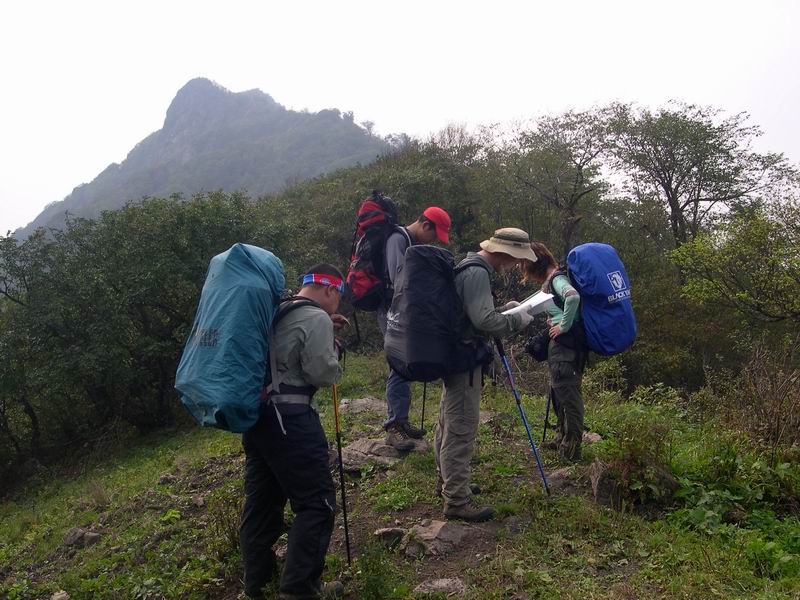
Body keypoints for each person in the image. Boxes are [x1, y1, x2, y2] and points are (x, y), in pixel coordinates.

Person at [239, 264, 348, 600]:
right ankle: (299, 589)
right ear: (330, 289)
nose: (338, 303)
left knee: (262, 503)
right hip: (292, 421)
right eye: (339, 295)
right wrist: (335, 348)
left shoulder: (279, 309)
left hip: (258, 420)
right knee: (317, 503)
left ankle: (258, 584)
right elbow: (322, 374)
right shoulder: (315, 318)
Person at [434, 228, 537, 522]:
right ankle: (456, 500)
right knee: (461, 428)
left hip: (455, 356)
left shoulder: (469, 267)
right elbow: (484, 321)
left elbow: (471, 314)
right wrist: (516, 320)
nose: (515, 265)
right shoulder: (477, 272)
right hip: (464, 361)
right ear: (505, 253)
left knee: (448, 422)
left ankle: (448, 483)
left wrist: (505, 309)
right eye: (516, 258)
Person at [377, 206, 452, 451]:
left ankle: (401, 419)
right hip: (391, 311)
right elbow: (399, 279)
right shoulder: (398, 239)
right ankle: (394, 426)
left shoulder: (409, 241)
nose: (433, 241)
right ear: (425, 224)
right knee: (399, 365)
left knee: (405, 363)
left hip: (401, 311)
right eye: (434, 235)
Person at [522, 242, 587, 462]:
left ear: (535, 264)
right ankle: (561, 438)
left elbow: (573, 297)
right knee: (559, 393)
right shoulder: (551, 281)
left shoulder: (557, 279)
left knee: (569, 396)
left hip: (566, 347)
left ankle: (572, 450)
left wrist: (563, 326)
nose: (526, 272)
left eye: (526, 266)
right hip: (562, 347)